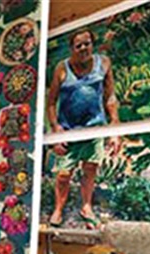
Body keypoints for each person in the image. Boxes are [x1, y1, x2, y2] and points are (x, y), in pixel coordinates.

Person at [47, 28, 121, 229]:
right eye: (78, 45)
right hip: (69, 129)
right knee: (63, 174)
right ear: (71, 48)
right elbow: (51, 102)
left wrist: (114, 129)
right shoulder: (62, 69)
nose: (83, 48)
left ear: (92, 44)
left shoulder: (103, 63)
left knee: (90, 169)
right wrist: (56, 129)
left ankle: (86, 207)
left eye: (86, 43)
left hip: (94, 127)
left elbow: (110, 97)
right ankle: (59, 209)